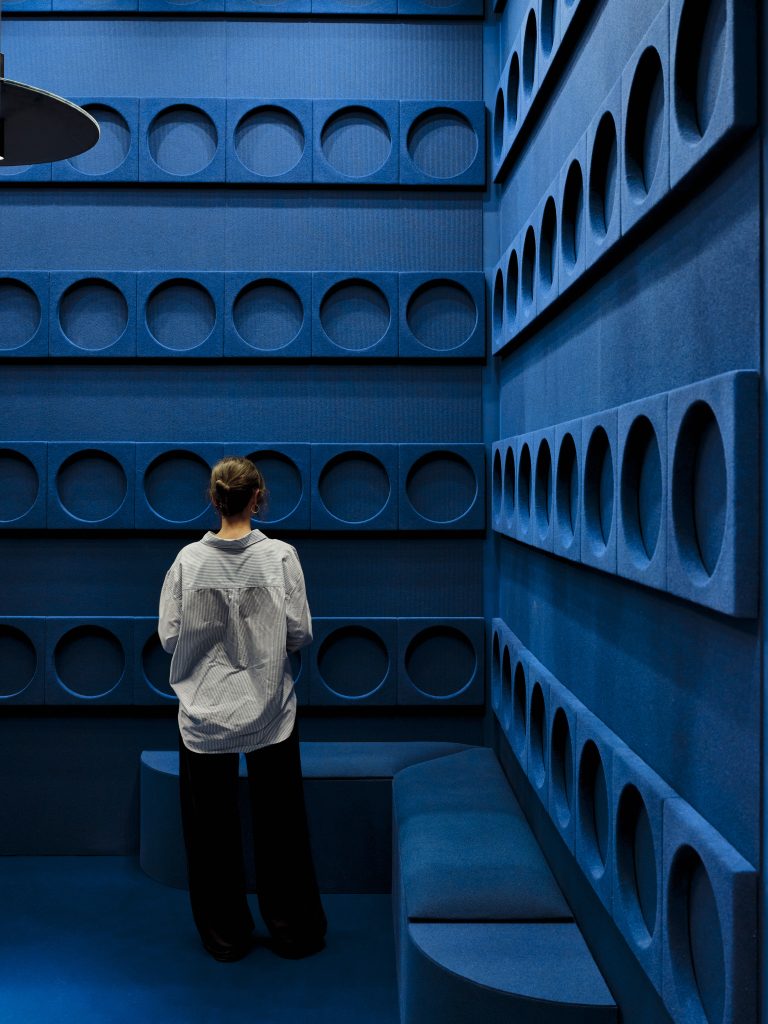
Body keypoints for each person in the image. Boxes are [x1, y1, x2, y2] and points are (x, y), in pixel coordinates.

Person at [158, 455, 327, 963]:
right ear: (258, 497)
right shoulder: (280, 557)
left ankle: (225, 936)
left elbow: (169, 638)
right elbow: (299, 633)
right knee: (282, 827)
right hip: (271, 710)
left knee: (211, 833)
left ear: (214, 500)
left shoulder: (188, 562)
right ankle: (293, 931)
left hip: (203, 717)